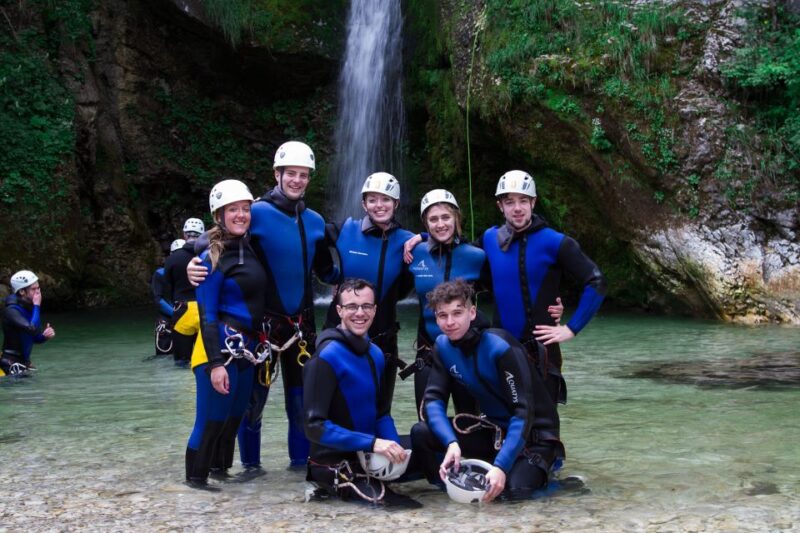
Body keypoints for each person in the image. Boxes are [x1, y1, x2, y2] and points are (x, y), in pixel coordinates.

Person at [188, 141, 338, 469]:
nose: (297, 180)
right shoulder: (256, 211)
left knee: (301, 404)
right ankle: (251, 469)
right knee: (252, 404)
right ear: (277, 174)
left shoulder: (315, 221)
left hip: (302, 325)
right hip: (263, 326)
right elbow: (217, 236)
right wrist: (194, 261)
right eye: (291, 174)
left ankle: (300, 466)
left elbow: (329, 273)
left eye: (304, 175)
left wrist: (343, 245)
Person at [405, 171, 604, 405]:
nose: (517, 208)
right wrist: (423, 236)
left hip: (541, 352)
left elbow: (596, 281)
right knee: (502, 424)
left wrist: (571, 328)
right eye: (510, 202)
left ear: (534, 202)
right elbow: (455, 250)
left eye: (523, 200)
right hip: (499, 351)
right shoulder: (490, 240)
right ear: (500, 206)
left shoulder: (555, 242)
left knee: (544, 430)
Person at [411, 279, 564, 501]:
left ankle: (557, 485)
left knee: (513, 492)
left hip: (534, 438)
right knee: (421, 433)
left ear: (472, 312)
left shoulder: (500, 346)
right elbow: (434, 398)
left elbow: (523, 412)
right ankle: (447, 491)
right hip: (493, 432)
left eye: (457, 313)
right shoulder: (443, 346)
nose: (450, 322)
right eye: (442, 315)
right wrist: (450, 443)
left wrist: (501, 466)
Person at [304, 278, 419, 508]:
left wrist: (394, 450)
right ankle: (322, 492)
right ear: (339, 311)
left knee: (434, 454)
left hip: (370, 451)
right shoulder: (324, 359)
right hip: (333, 462)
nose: (360, 313)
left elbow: (382, 414)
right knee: (402, 507)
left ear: (375, 310)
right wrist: (373, 444)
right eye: (351, 307)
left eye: (366, 306)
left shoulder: (376, 354)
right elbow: (313, 427)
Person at [185, 180, 266, 489]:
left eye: (245, 209)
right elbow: (206, 315)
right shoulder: (209, 259)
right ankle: (195, 481)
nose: (241, 215)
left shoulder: (251, 247)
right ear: (218, 215)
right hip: (218, 349)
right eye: (233, 210)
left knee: (232, 419)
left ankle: (220, 473)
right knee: (211, 420)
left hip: (247, 349)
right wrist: (216, 363)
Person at [324, 172, 414, 412]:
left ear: (396, 203)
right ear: (363, 204)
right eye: (372, 199)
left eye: (386, 199)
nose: (379, 205)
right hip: (338, 334)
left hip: (383, 337)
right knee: (333, 406)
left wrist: (422, 237)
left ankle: (377, 449)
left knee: (380, 408)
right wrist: (332, 276)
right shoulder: (345, 230)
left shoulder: (407, 240)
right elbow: (306, 237)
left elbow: (444, 242)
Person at [163, 218, 205, 366]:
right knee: (206, 359)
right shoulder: (208, 256)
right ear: (203, 234)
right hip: (205, 309)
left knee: (181, 362)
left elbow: (166, 289)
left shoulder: (172, 259)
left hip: (182, 310)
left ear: (184, 235)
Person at [1, 270, 55, 377]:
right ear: (22, 292)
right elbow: (33, 329)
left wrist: (44, 336)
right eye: (34, 289)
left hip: (23, 362)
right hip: (10, 362)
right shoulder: (11, 311)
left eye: (38, 288)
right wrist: (36, 306)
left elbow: (34, 337)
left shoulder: (28, 307)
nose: (38, 292)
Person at [150, 238, 185, 357]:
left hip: (186, 317)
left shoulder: (193, 272)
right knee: (164, 358)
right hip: (169, 320)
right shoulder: (160, 274)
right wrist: (176, 313)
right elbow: (158, 299)